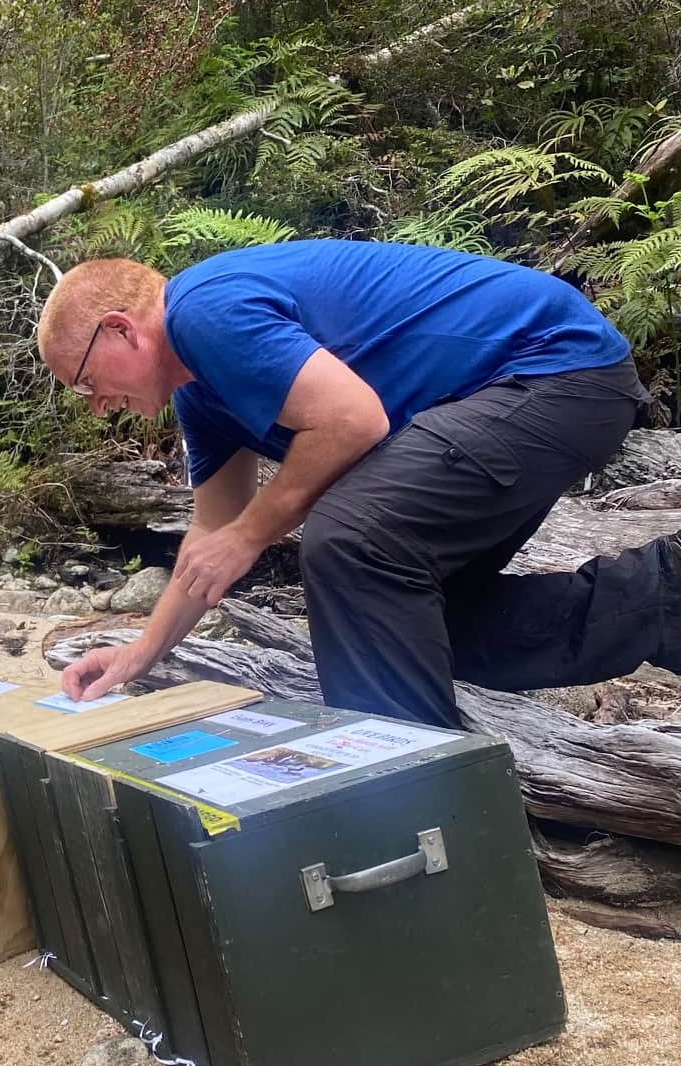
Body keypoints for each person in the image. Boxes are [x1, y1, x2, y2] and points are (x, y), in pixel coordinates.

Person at [37, 240, 679, 729]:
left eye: (86, 381)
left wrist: (253, 534)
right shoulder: (200, 398)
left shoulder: (202, 311)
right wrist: (140, 654)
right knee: (413, 625)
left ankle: (403, 789)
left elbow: (353, 419)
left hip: (554, 372)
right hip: (539, 393)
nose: (96, 404)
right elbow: (212, 539)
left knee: (350, 538)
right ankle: (664, 599)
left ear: (121, 328)